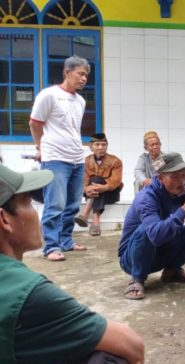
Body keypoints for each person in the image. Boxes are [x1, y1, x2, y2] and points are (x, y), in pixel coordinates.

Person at [0, 164, 144, 364]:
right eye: (29, 203)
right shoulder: (25, 291)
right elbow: (131, 344)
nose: (35, 214)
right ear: (4, 219)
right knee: (108, 358)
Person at [119, 152, 185, 300]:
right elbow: (155, 236)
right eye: (174, 177)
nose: (181, 181)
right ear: (160, 178)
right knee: (146, 229)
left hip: (161, 254)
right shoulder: (146, 197)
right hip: (132, 259)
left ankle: (172, 271)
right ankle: (137, 280)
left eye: (183, 175)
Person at [29, 55, 90, 262]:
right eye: (80, 74)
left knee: (72, 204)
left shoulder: (80, 101)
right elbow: (35, 123)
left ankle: (66, 241)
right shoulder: (49, 95)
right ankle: (51, 247)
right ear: (67, 72)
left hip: (77, 158)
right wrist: (40, 148)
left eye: (86, 76)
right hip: (55, 158)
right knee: (55, 204)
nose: (84, 79)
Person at [74, 133, 123, 237]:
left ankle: (85, 214)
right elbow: (83, 179)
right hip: (91, 192)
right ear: (91, 146)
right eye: (97, 144)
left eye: (103, 144)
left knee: (97, 180)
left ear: (107, 146)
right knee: (96, 181)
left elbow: (116, 181)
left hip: (111, 193)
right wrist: (85, 189)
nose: (101, 147)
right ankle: (96, 223)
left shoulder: (116, 161)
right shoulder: (86, 161)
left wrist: (104, 187)